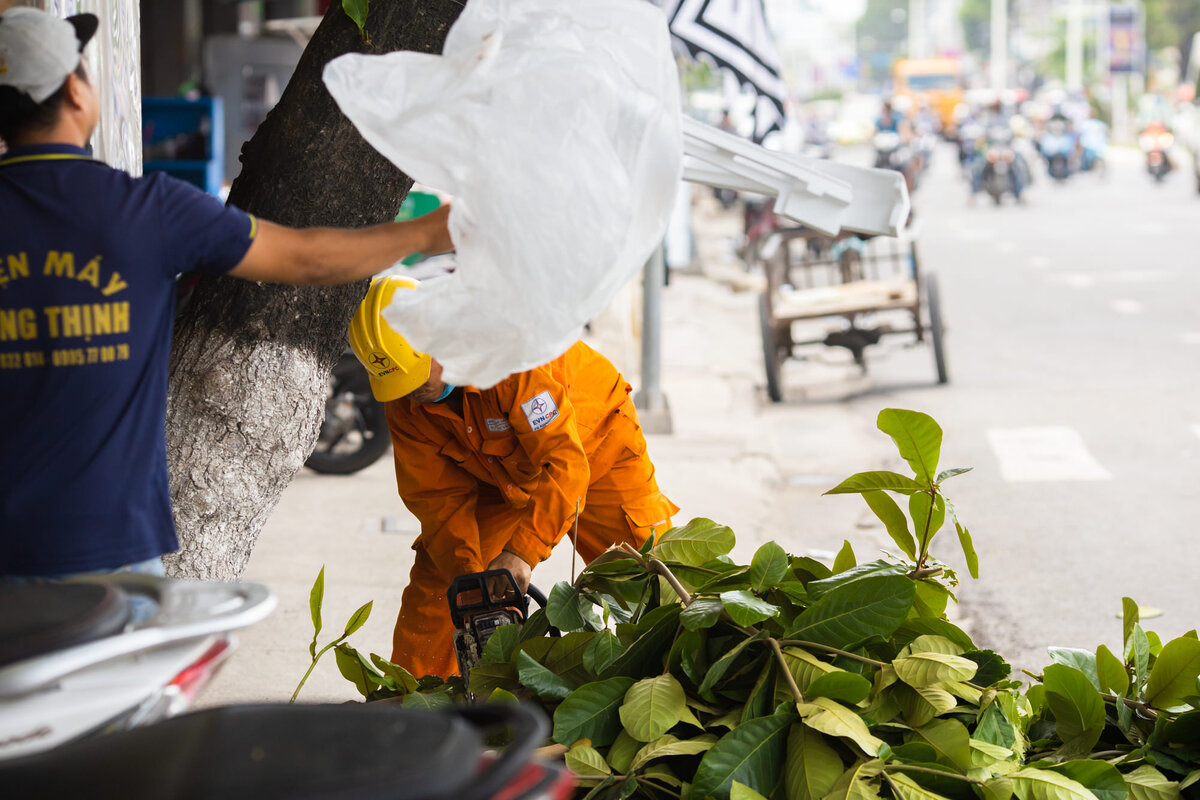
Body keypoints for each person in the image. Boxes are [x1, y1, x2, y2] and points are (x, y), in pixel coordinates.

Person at [0, 8, 454, 584]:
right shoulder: (147, 210)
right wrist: (427, 232)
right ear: (74, 90)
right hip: (112, 550)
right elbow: (306, 259)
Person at [348, 276, 678, 678]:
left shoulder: (510, 357)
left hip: (595, 446)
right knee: (443, 588)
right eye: (399, 383)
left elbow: (566, 464)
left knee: (649, 578)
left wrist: (522, 553)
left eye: (417, 375)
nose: (412, 391)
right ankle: (418, 709)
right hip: (497, 474)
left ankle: (677, 679)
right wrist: (472, 581)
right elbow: (438, 501)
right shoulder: (405, 404)